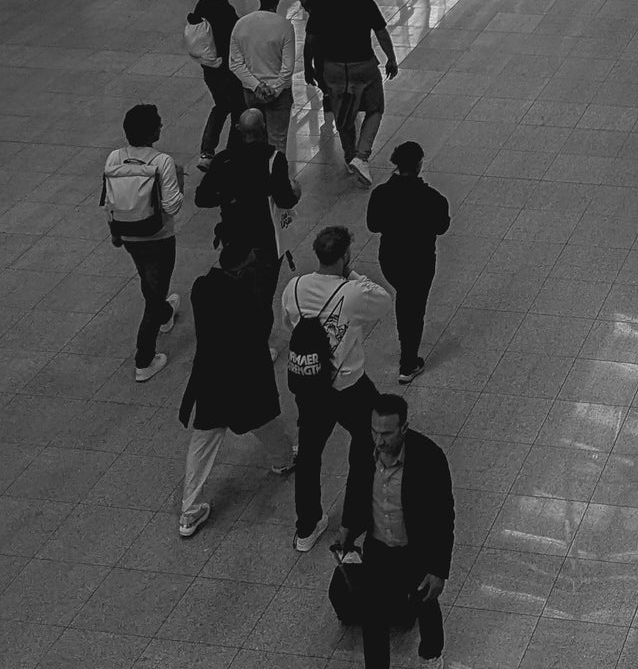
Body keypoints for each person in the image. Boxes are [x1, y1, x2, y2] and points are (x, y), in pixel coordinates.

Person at [337, 393, 454, 669]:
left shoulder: (429, 458)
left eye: (387, 433)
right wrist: (347, 528)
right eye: (375, 432)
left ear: (404, 427)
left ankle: (432, 657)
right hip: (378, 550)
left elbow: (443, 516)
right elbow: (356, 488)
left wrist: (438, 568)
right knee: (373, 621)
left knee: (425, 604)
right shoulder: (364, 450)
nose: (379, 440)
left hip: (415, 551)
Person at [281, 222, 390, 553]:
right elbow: (384, 302)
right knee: (365, 442)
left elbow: (289, 323)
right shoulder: (353, 293)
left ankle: (307, 526)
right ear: (344, 255)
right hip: (349, 385)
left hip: (311, 385)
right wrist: (353, 274)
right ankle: (354, 519)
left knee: (311, 452)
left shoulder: (294, 287)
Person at [177, 243, 295, 537]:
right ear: (243, 269)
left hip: (212, 378)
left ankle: (189, 513)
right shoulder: (248, 297)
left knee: (203, 442)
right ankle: (283, 462)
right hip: (246, 379)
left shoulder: (201, 287)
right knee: (266, 424)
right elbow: (260, 329)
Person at [101, 102, 184, 379]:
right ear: (152, 133)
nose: (162, 125)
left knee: (149, 279)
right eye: (158, 123)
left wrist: (115, 232)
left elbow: (110, 201)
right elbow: (172, 207)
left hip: (128, 235)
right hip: (158, 235)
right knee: (154, 291)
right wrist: (179, 186)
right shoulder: (162, 162)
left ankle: (164, 312)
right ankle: (144, 359)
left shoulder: (114, 158)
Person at [367, 141, 450, 384]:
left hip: (391, 259)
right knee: (413, 307)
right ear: (420, 164)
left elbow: (373, 225)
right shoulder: (433, 198)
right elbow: (442, 227)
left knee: (406, 297)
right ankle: (408, 361)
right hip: (421, 260)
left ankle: (408, 353)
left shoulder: (381, 194)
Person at [195, 107, 299, 298]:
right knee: (264, 292)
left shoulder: (223, 160)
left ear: (237, 128)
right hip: (266, 236)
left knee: (237, 289)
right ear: (264, 128)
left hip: (233, 233)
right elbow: (285, 199)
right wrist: (296, 192)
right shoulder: (274, 159)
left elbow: (202, 198)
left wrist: (228, 195)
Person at [317, 0, 399, 180]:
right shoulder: (366, 4)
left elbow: (312, 42)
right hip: (364, 66)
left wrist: (314, 69)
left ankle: (350, 156)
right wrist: (391, 58)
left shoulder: (322, 6)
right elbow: (381, 33)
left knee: (343, 115)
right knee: (375, 108)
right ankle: (362, 155)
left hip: (334, 68)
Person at [228, 0, 297, 156]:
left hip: (251, 93)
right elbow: (287, 67)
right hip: (279, 94)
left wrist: (257, 86)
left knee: (253, 140)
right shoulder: (284, 26)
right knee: (278, 140)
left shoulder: (241, 24)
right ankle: (277, 177)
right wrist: (274, 88)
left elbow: (235, 64)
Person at [186, 0, 242, 165]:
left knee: (220, 106)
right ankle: (231, 154)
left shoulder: (202, 4)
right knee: (238, 109)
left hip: (209, 68)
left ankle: (207, 152)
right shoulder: (225, 10)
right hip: (227, 70)